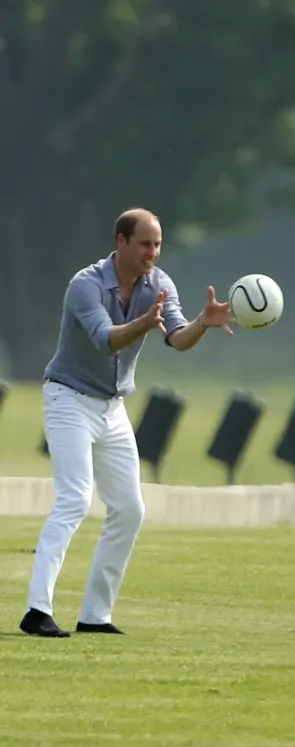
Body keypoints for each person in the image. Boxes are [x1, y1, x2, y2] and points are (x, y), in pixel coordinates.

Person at [20, 208, 234, 638]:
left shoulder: (161, 284)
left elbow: (176, 339)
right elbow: (106, 339)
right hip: (68, 398)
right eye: (144, 244)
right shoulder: (85, 285)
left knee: (131, 509)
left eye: (157, 244)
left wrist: (202, 325)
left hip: (112, 408)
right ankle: (36, 611)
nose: (152, 253)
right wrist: (144, 321)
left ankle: (95, 615)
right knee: (75, 500)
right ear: (121, 242)